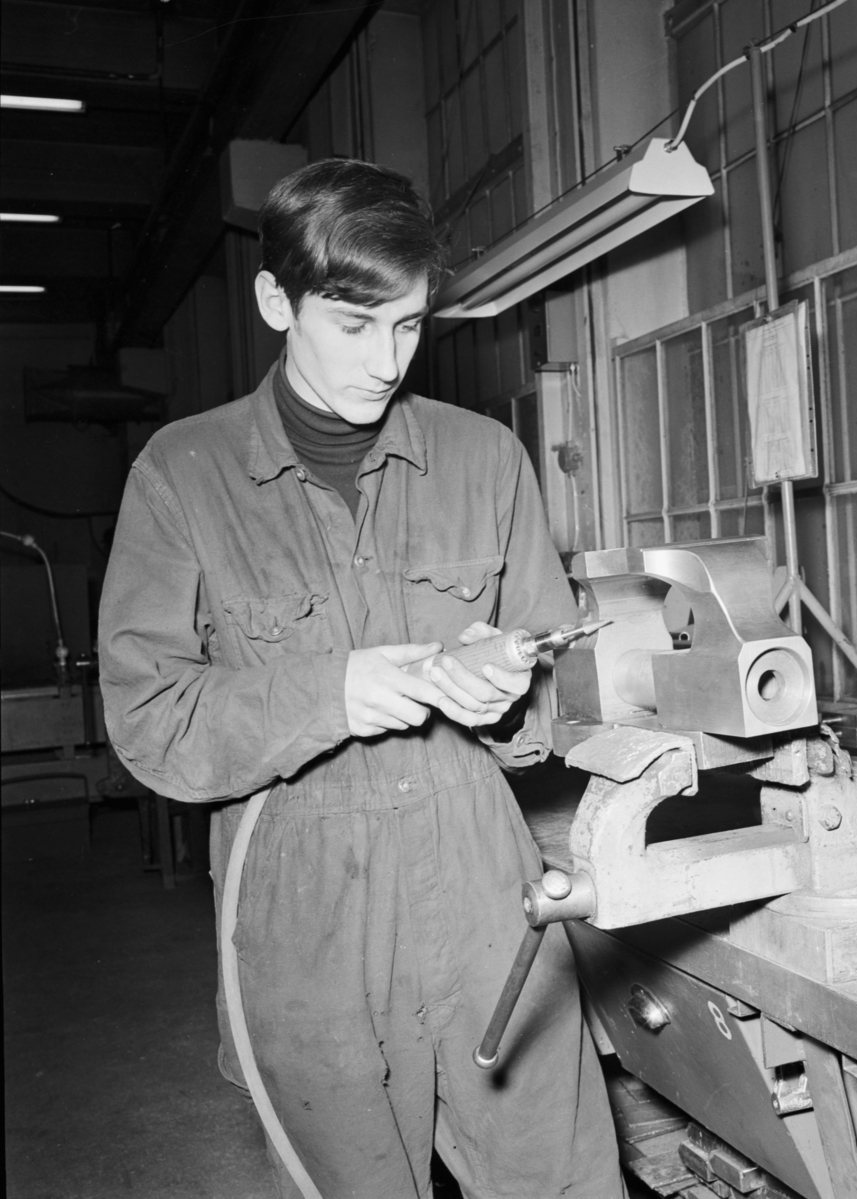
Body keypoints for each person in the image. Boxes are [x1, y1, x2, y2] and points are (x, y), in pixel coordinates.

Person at [99, 159, 623, 1199]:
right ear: (276, 302)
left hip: (483, 885)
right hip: (304, 910)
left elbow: (561, 674)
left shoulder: (484, 459)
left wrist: (508, 692)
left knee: (561, 1178)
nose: (387, 361)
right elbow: (150, 718)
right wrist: (328, 692)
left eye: (409, 325)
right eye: (354, 325)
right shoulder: (183, 474)